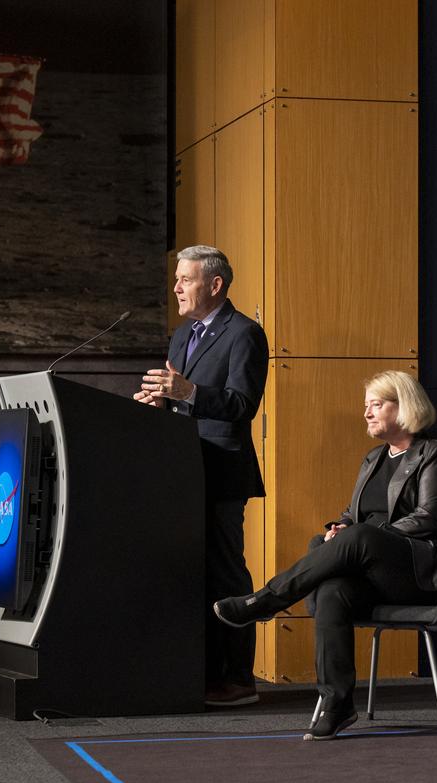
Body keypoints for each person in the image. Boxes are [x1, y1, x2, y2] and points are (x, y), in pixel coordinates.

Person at [213, 370, 437, 740]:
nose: (366, 413)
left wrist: (360, 535)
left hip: (421, 570)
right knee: (333, 591)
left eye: (376, 404)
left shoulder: (436, 455)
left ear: (406, 407)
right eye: (366, 405)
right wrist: (339, 527)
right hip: (375, 570)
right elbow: (354, 515)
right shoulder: (373, 459)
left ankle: (266, 601)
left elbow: (427, 519)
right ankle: (337, 703)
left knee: (360, 537)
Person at [134, 245, 269, 708]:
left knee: (227, 574)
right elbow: (182, 400)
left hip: (222, 473)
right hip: (182, 472)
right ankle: (201, 672)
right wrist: (162, 402)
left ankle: (238, 679)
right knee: (191, 574)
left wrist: (188, 391)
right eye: (176, 279)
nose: (175, 288)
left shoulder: (245, 334)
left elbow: (241, 406)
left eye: (185, 280)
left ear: (215, 285)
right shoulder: (181, 335)